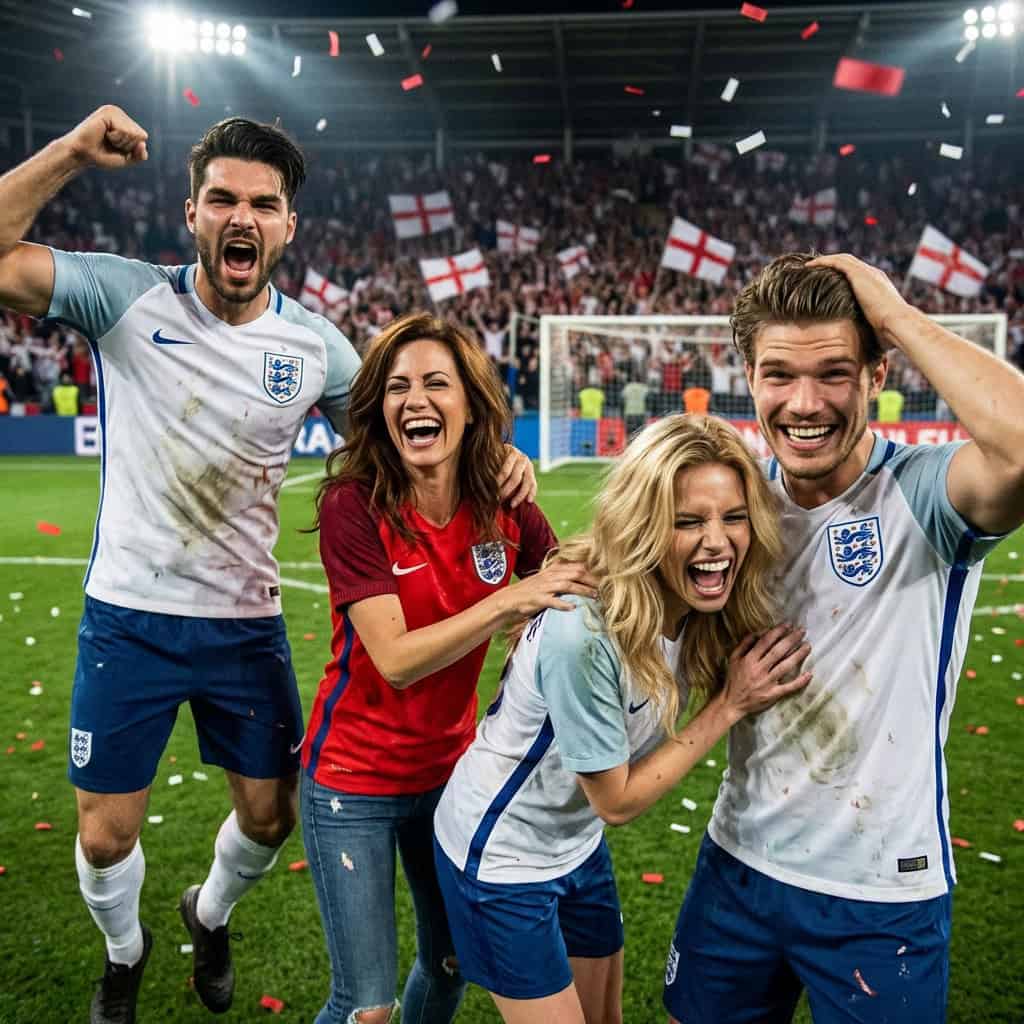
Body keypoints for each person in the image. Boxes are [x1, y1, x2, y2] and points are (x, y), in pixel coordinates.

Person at [0, 105, 538, 1024]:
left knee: (269, 818)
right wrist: (70, 156)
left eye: (263, 202)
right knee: (103, 837)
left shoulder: (317, 346)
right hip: (127, 615)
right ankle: (124, 956)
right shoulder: (121, 294)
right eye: (222, 199)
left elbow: (409, 419)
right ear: (193, 213)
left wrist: (497, 457)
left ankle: (206, 916)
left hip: (243, 625)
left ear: (287, 225)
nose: (241, 216)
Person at [664, 253, 1024, 1024]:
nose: (804, 403)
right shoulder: (739, 510)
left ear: (876, 374)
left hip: (880, 887)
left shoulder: (923, 494)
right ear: (749, 380)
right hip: (739, 864)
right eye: (777, 375)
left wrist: (889, 309)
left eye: (834, 372)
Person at [434, 413, 812, 1024]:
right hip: (500, 854)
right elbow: (617, 800)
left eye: (733, 517)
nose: (717, 541)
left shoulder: (697, 598)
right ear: (644, 526)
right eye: (688, 521)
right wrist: (729, 704)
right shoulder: (584, 631)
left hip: (574, 842)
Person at [301, 312, 591, 1024]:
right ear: (380, 409)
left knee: (450, 964)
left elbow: (567, 585)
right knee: (364, 1006)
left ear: (470, 405)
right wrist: (514, 601)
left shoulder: (504, 501)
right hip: (353, 781)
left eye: (437, 382)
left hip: (448, 776)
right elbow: (396, 661)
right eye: (398, 387)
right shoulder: (352, 504)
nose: (416, 400)